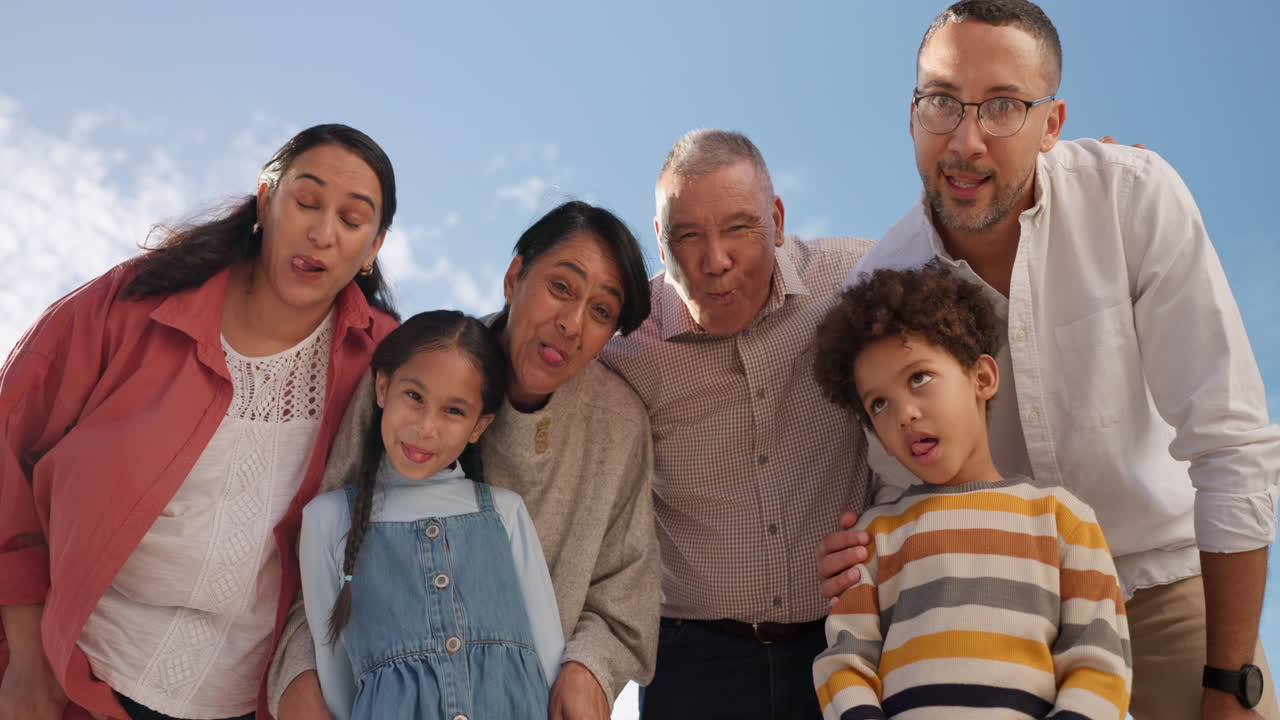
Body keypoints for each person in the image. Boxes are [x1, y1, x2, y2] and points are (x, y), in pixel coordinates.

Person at [816, 2, 1280, 719]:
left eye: (1004, 106)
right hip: (991, 608)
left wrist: (1230, 680)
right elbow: (896, 487)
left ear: (1052, 125)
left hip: (1165, 584)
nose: (965, 141)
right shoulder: (885, 285)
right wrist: (861, 561)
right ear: (912, 115)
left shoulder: (1131, 197)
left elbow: (1232, 441)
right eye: (942, 101)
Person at [0, 124, 400, 720]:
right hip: (73, 677)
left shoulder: (386, 365)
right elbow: (9, 452)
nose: (322, 233)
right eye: (306, 201)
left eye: (351, 219)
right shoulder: (131, 303)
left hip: (246, 703)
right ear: (265, 201)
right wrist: (29, 658)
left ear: (373, 247)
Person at [270, 200, 660, 720]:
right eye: (561, 287)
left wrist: (590, 668)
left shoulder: (618, 423)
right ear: (515, 276)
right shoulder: (419, 370)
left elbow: (626, 589)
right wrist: (299, 678)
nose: (572, 323)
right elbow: (328, 554)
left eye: (601, 312)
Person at [599, 129, 875, 719]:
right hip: (692, 662)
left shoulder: (855, 280)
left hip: (846, 642)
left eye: (738, 228)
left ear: (776, 221)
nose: (715, 260)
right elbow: (520, 342)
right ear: (659, 240)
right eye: (687, 235)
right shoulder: (623, 340)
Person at [811, 263, 1131, 719]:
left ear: (982, 378)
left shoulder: (1064, 521)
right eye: (879, 403)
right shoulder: (875, 537)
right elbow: (845, 664)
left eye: (919, 378)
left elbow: (1100, 663)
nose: (904, 414)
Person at [301, 310, 564, 720]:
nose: (426, 427)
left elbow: (548, 656)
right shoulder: (328, 519)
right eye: (414, 396)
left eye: (454, 411)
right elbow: (335, 679)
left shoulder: (505, 511)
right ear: (383, 387)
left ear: (479, 427)